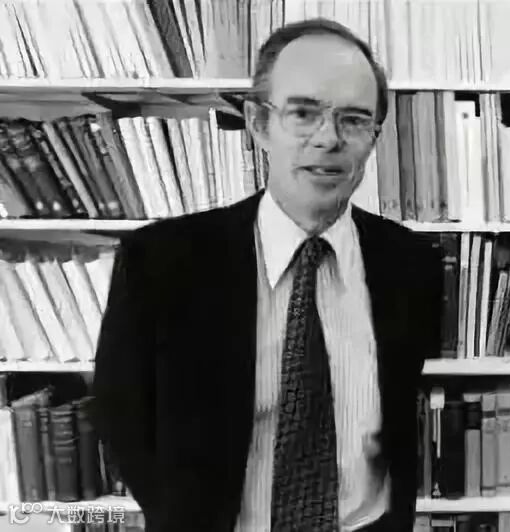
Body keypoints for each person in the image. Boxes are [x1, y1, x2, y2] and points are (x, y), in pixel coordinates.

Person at [92, 17, 443, 532]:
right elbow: (122, 418)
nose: (328, 139)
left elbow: (396, 418)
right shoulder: (161, 262)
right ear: (259, 123)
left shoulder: (409, 261)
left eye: (353, 120)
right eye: (303, 113)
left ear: (374, 138)